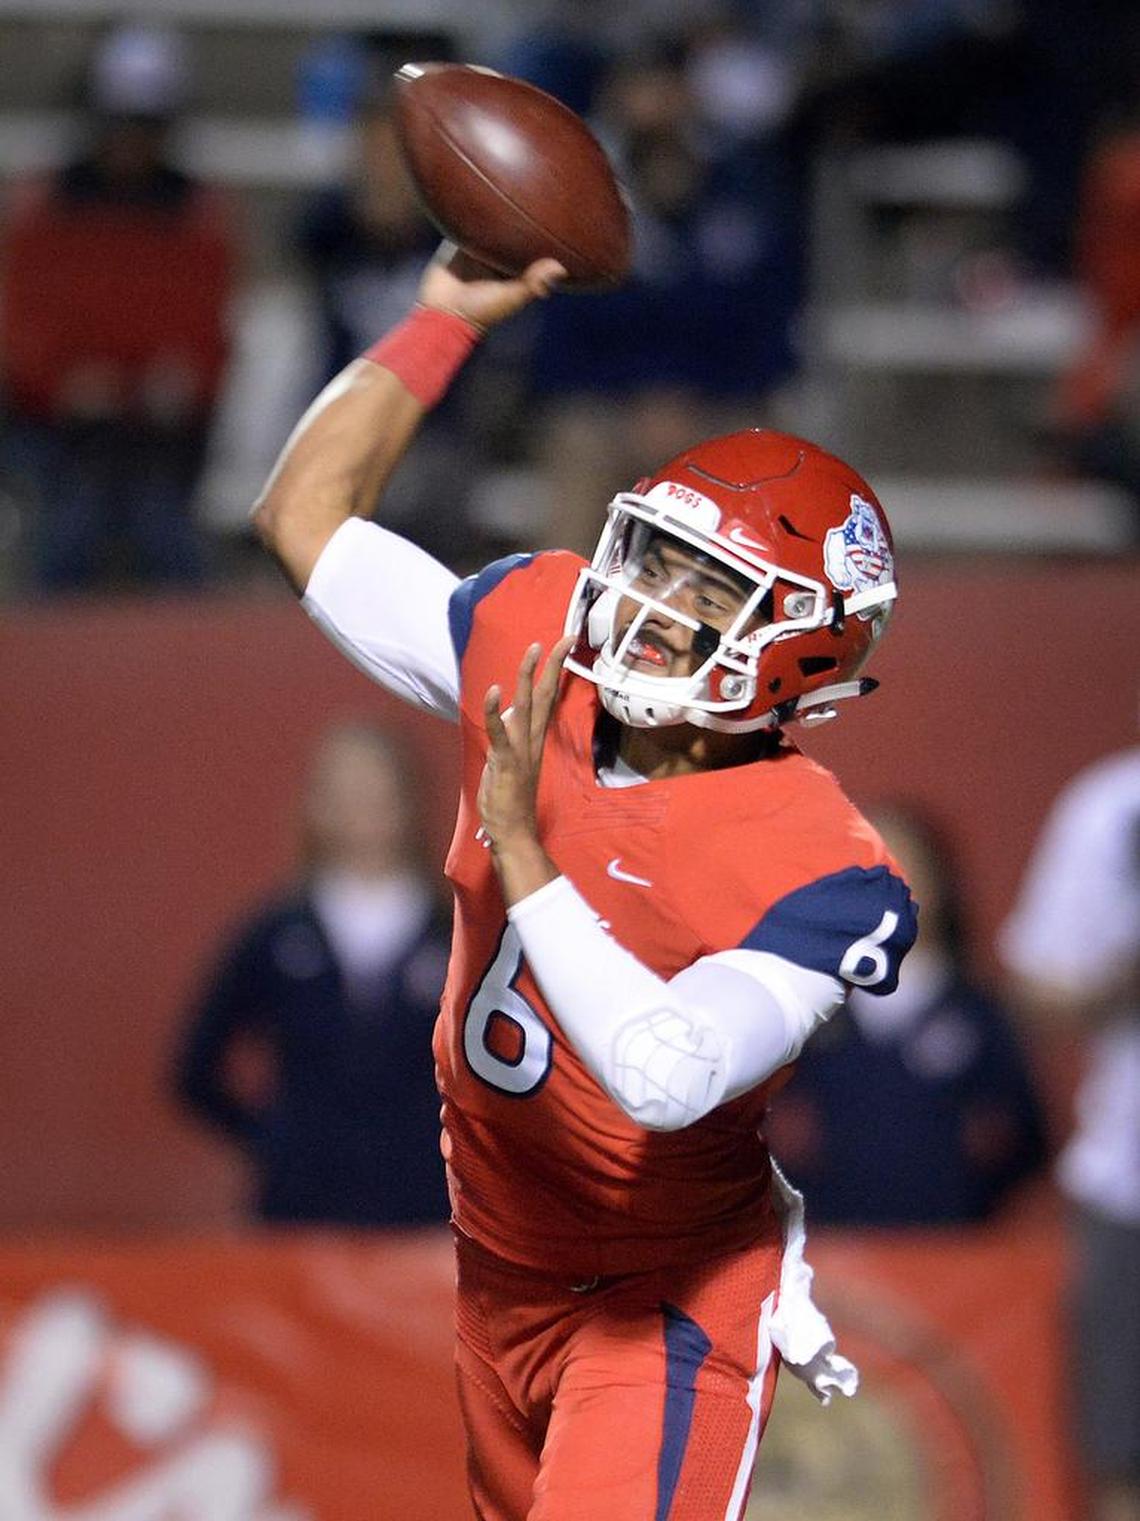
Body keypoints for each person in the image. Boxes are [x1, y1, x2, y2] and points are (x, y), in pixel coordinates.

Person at [251, 245, 917, 1520]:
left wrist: (526, 855)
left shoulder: (821, 865)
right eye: (654, 556)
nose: (650, 604)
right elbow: (304, 519)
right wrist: (442, 322)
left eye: (710, 591)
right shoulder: (540, 642)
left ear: (800, 653)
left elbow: (668, 1079)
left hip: (660, 1303)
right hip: (495, 1270)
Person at [174, 720, 450, 1228]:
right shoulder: (276, 936)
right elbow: (193, 1071)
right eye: (344, 791)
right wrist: (277, 1141)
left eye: (377, 788)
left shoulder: (456, 934)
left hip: (425, 1214)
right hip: (301, 1217)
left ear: (410, 799)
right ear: (314, 804)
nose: (363, 807)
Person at [0, 24, 236, 590]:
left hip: (161, 440)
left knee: (164, 531)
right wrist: (65, 384)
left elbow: (208, 339)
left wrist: (174, 385)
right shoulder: (42, 212)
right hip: (57, 432)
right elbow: (20, 331)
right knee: (71, 525)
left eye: (145, 127)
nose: (130, 143)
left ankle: (189, 664)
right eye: (120, 125)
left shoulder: (198, 219)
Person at [769, 802, 1048, 1226]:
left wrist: (966, 1185)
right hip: (834, 1253)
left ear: (939, 881)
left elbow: (1028, 1135)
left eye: (903, 865)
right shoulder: (811, 1013)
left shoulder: (979, 1014)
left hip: (952, 1251)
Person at [1000, 745, 1140, 1521]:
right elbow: (1039, 987)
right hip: (1131, 1184)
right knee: (1122, 1445)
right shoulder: (1116, 809)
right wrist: (1125, 971)